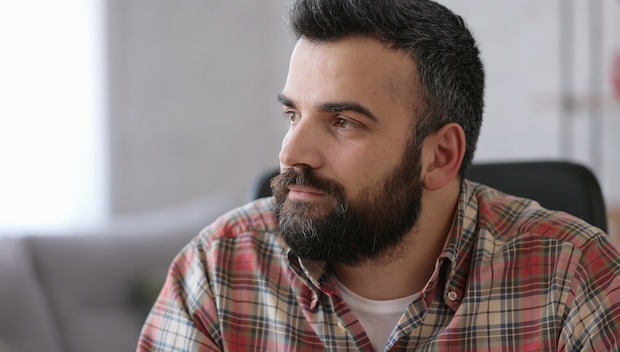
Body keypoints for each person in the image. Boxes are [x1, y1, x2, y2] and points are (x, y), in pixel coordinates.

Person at [137, 0, 620, 350]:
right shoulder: (218, 270)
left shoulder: (572, 279)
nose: (291, 152)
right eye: (292, 116)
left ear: (439, 156)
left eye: (343, 122)